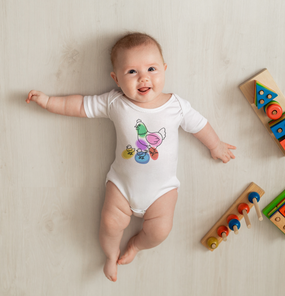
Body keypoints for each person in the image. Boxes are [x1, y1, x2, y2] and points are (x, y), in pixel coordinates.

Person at [26, 32, 236, 282]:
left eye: (151, 68)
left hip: (162, 191)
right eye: (132, 72)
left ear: (164, 69)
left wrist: (216, 145)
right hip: (122, 187)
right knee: (109, 223)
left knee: (160, 231)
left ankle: (136, 246)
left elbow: (199, 125)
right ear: (116, 78)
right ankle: (111, 254)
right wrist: (49, 101)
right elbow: (81, 105)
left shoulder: (176, 106)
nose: (144, 77)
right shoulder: (115, 102)